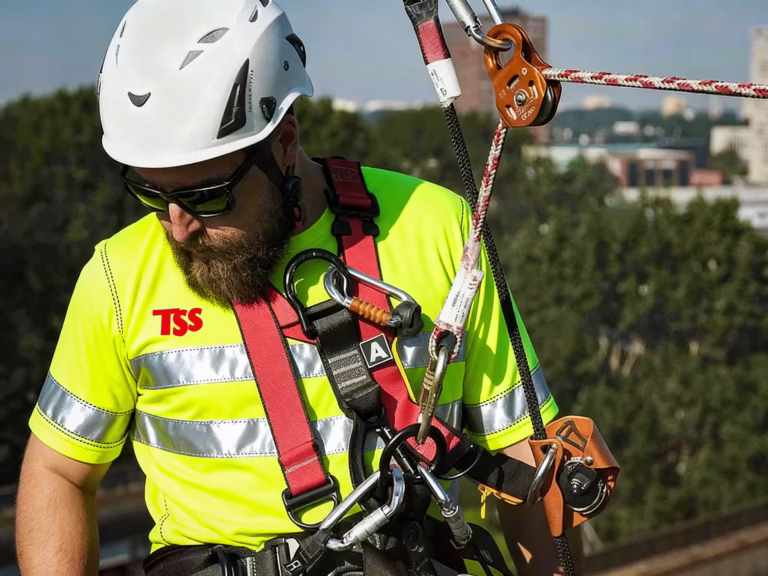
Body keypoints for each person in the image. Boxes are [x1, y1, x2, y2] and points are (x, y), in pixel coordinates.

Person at [15, 0, 579, 574]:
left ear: (284, 141)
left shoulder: (437, 229)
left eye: (209, 195)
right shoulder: (119, 277)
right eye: (151, 194)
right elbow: (58, 469)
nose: (177, 226)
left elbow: (523, 457)